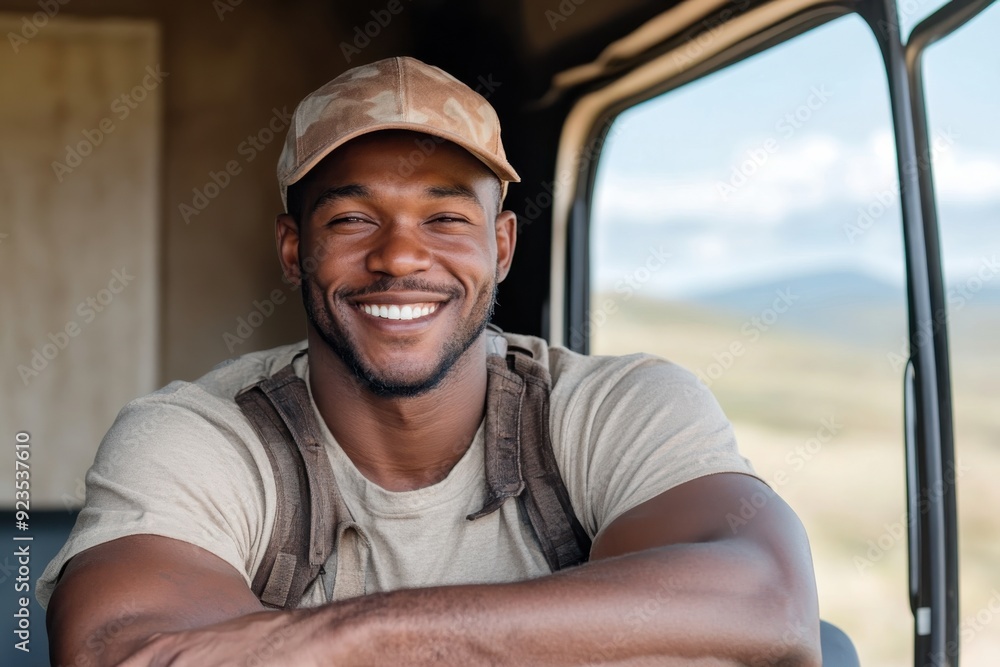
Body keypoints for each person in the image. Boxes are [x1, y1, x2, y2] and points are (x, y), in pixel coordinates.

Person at [40, 56, 821, 666]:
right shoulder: (195, 438)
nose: (400, 255)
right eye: (352, 217)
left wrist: (366, 639)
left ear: (503, 246)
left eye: (445, 217)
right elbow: (122, 652)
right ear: (292, 249)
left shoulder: (619, 408)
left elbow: (771, 610)